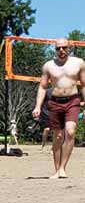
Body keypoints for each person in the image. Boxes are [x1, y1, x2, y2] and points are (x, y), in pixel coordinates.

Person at [33, 37, 85, 179]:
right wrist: (38, 106)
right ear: (55, 50)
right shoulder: (48, 65)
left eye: (64, 47)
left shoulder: (78, 63)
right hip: (55, 102)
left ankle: (63, 168)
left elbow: (84, 84)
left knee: (70, 131)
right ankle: (57, 170)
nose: (61, 50)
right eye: (58, 48)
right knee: (58, 136)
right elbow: (43, 87)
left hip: (73, 100)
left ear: (69, 48)